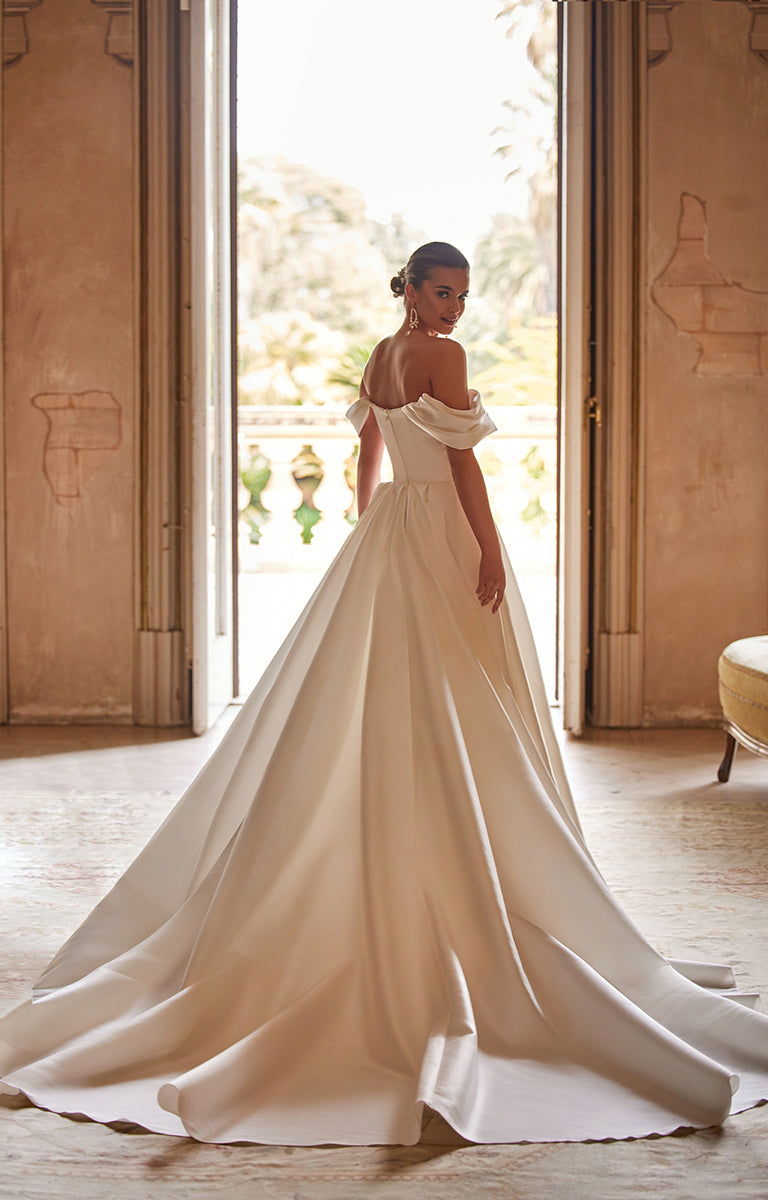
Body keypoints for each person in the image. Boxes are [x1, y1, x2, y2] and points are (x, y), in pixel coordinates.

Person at [0, 242, 767, 1147]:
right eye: (443, 292)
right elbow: (465, 468)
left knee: (407, 690)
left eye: (464, 296)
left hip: (395, 531)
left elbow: (367, 444)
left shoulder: (382, 352)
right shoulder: (438, 357)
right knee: (458, 690)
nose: (456, 310)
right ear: (409, 286)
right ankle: (468, 846)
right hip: (440, 530)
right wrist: (486, 549)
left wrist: (368, 521)